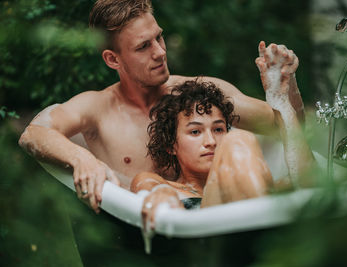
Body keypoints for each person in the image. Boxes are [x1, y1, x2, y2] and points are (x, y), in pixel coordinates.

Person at [18, 0, 304, 213]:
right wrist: (82, 159)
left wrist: (286, 86)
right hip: (154, 229)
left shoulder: (200, 96)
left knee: (238, 143)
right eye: (143, 47)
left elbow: (290, 128)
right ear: (112, 60)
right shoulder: (98, 109)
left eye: (159, 37)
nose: (160, 52)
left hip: (217, 211)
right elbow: (34, 133)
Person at [131, 43, 315, 230]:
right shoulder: (165, 186)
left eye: (218, 130)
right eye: (195, 132)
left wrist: (282, 97)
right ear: (171, 144)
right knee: (237, 140)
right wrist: (160, 193)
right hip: (208, 243)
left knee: (238, 140)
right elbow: (144, 184)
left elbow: (310, 185)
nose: (211, 142)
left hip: (252, 229)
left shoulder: (261, 178)